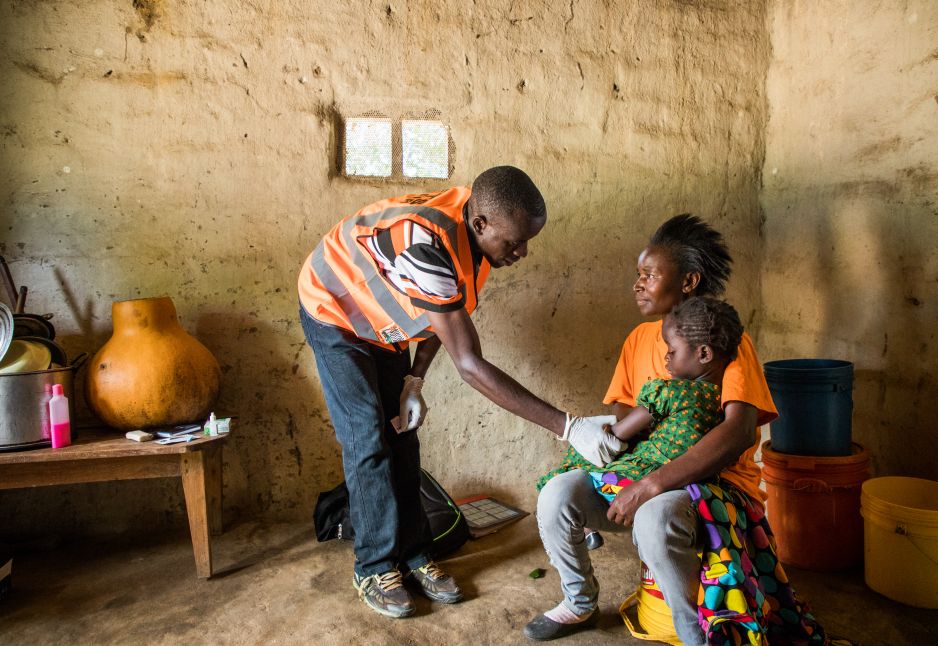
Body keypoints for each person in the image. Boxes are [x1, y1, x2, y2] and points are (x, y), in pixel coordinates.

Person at [297, 166, 624, 620]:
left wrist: (414, 380)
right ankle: (373, 567)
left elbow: (446, 312)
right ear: (481, 224)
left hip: (380, 326)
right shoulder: (424, 245)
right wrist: (567, 426)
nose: (523, 252)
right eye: (514, 242)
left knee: (402, 436)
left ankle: (413, 555)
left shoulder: (477, 242)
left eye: (528, 241)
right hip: (334, 309)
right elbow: (469, 363)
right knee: (368, 439)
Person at [526, 214, 826, 644]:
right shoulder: (638, 340)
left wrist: (652, 484)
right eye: (638, 274)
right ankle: (579, 602)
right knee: (558, 493)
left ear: (688, 282)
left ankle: (694, 635)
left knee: (655, 514)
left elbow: (739, 432)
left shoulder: (728, 344)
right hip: (645, 470)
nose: (638, 284)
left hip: (715, 483)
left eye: (649, 275)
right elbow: (626, 419)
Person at [573, 297, 745, 505]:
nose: (666, 357)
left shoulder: (669, 392)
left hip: (640, 475)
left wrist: (591, 431)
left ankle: (588, 528)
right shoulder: (725, 402)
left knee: (577, 463)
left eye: (672, 351)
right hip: (697, 481)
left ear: (704, 353)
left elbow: (617, 435)